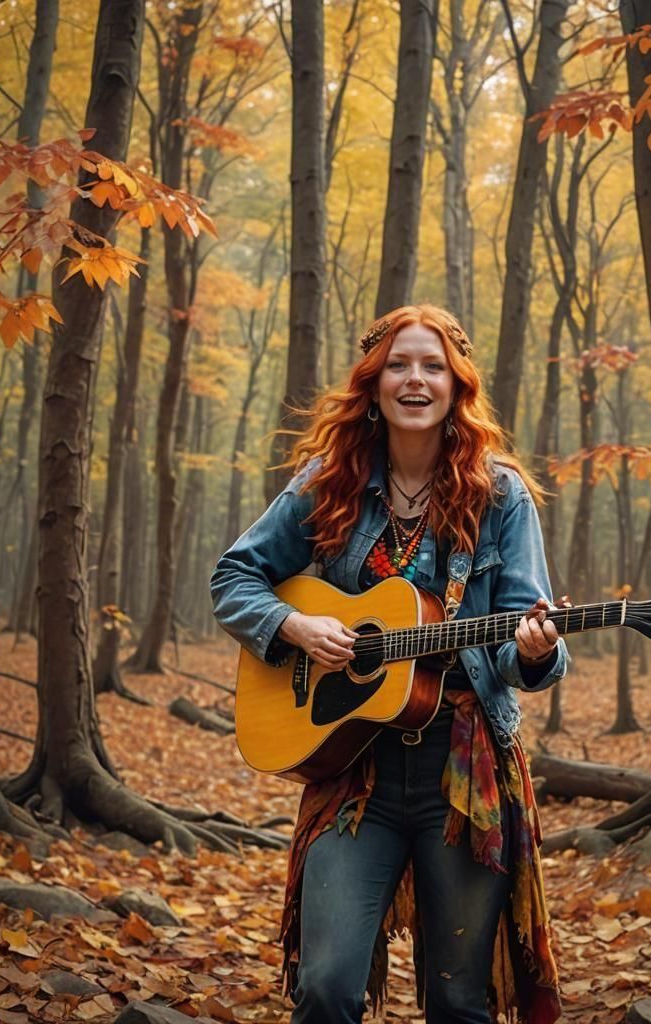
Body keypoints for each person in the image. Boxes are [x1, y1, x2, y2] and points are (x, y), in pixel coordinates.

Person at [211, 304, 568, 1024]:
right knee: (327, 987)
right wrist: (296, 625)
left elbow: (521, 641)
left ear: (456, 385)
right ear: (372, 383)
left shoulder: (501, 495)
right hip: (353, 771)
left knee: (458, 1001)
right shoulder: (327, 481)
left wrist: (537, 650)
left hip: (463, 775)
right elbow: (233, 578)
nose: (415, 379)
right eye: (399, 365)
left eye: (432, 366)